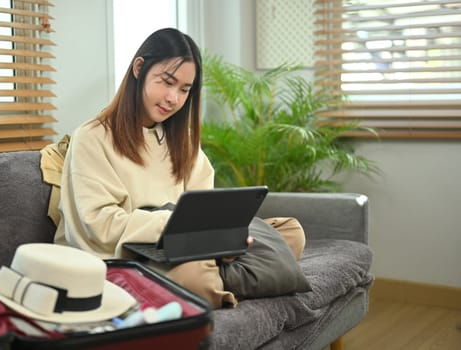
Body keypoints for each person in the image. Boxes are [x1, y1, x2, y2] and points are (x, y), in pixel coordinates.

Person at [54, 28, 305, 309]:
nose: (173, 98)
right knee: (194, 275)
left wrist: (219, 237)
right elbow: (101, 226)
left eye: (185, 90)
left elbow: (202, 205)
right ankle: (220, 279)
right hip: (126, 255)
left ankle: (213, 276)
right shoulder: (92, 137)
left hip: (185, 246)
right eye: (167, 82)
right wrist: (179, 226)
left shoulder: (181, 139)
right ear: (139, 68)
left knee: (290, 230)